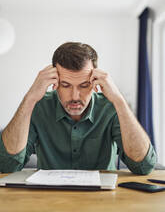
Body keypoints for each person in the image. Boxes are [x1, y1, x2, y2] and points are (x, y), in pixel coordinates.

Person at [0, 42, 156, 173]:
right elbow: (7, 165)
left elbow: (144, 166)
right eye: (66, 85)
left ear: (95, 82)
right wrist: (30, 98)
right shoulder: (38, 106)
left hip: (103, 201)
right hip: (48, 200)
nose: (75, 96)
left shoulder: (110, 108)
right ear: (55, 82)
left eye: (84, 85)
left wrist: (119, 100)